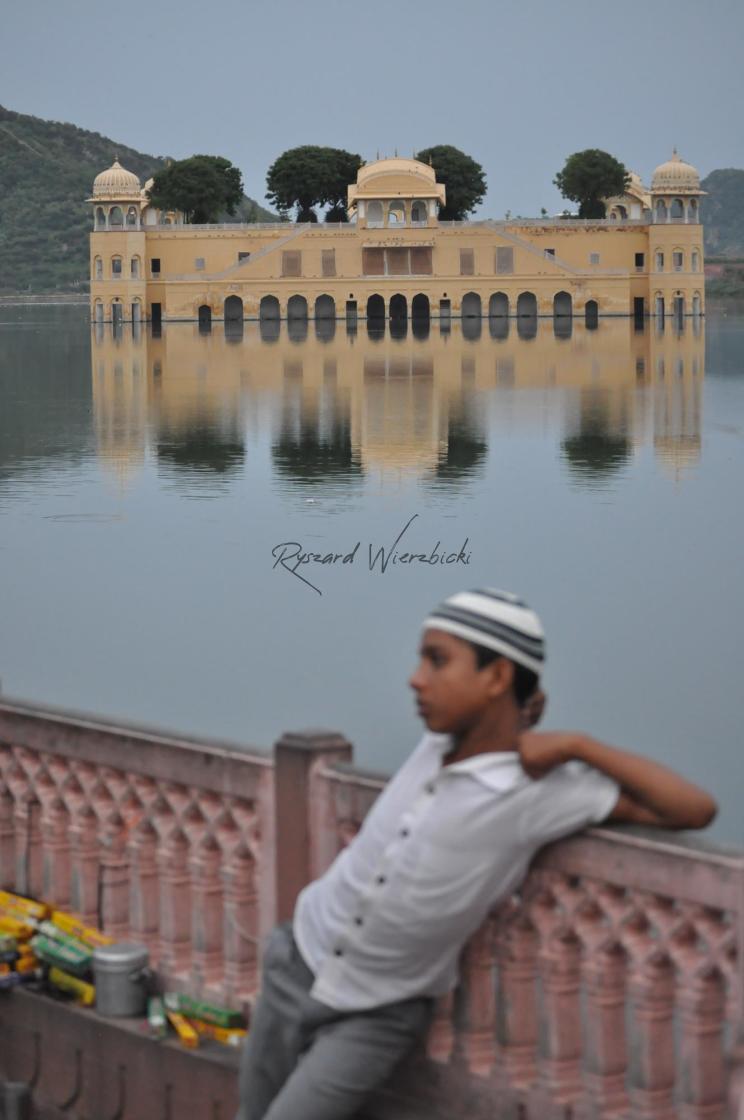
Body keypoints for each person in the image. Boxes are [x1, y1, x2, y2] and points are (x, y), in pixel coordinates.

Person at [235, 588, 716, 1120]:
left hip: (376, 1013)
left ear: (496, 677)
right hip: (296, 959)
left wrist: (579, 745)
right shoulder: (435, 743)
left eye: (437, 660)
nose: (416, 678)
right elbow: (505, 719)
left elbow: (692, 809)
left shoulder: (541, 790)